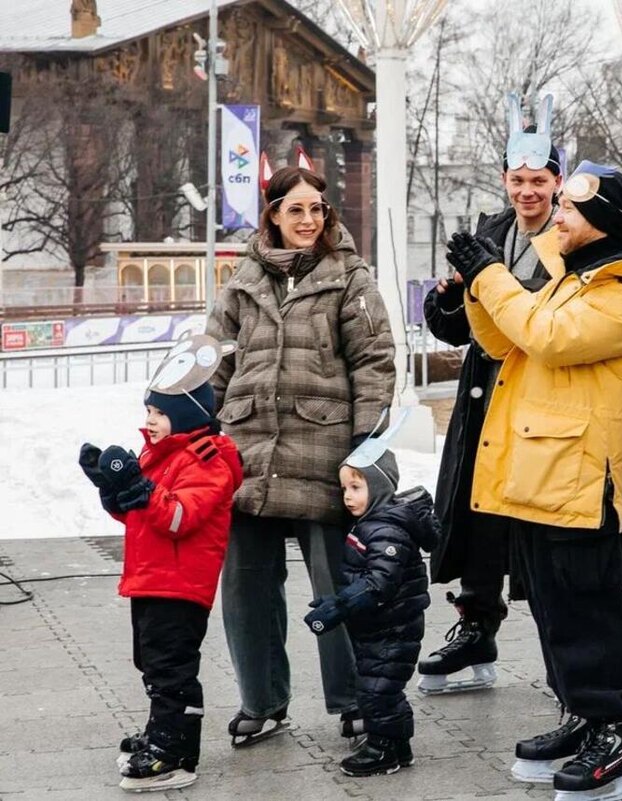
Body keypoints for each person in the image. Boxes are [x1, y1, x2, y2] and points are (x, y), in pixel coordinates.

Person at [445, 161, 622, 801]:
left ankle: (614, 732)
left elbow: (546, 337)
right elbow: (505, 342)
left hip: (582, 479)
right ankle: (581, 714)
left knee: (587, 609)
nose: (558, 218)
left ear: (601, 221)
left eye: (571, 210)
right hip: (542, 471)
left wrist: (491, 275)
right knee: (553, 609)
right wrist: (477, 286)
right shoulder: (575, 278)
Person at [207, 165, 396, 746]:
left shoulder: (350, 276)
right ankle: (261, 700)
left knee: (337, 586)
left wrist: (365, 448)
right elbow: (215, 361)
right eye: (296, 209)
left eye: (317, 209)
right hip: (248, 454)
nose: (309, 220)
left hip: (323, 451)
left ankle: (355, 698)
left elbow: (374, 363)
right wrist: (199, 435)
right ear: (273, 214)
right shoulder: (242, 280)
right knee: (246, 589)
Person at [419, 94, 562, 694]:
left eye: (539, 180)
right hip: (484, 395)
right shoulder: (490, 231)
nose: (527, 191)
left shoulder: (572, 235)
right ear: (504, 179)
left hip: (541, 394)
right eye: (518, 180)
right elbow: (455, 328)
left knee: (540, 520)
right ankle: (476, 623)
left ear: (557, 182)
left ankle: (565, 647)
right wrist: (446, 295)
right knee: (478, 509)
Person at [78, 335, 242, 792]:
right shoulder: (163, 453)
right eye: (148, 410)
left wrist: (141, 488)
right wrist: (112, 487)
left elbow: (177, 517)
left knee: (171, 666)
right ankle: (161, 730)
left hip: (180, 584)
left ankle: (176, 752)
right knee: (150, 660)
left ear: (187, 415)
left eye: (159, 413)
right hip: (150, 578)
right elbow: (139, 514)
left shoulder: (208, 462)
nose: (149, 421)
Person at [303, 437, 439, 778]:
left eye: (356, 487)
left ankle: (383, 749)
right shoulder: (372, 523)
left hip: (393, 629)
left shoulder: (386, 530)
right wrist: (337, 602)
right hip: (379, 627)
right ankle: (397, 746)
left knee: (377, 691)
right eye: (344, 488)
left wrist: (338, 607)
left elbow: (379, 583)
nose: (348, 496)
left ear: (379, 487)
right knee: (383, 690)